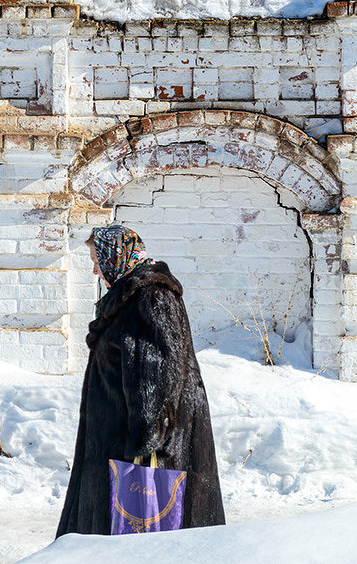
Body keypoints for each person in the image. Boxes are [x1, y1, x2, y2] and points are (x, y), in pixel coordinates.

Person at [56, 224, 225, 536]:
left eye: (97, 259)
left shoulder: (151, 299)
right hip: (122, 442)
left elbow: (159, 375)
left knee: (149, 536)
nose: (95, 269)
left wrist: (146, 444)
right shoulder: (131, 299)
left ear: (115, 256)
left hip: (145, 450)